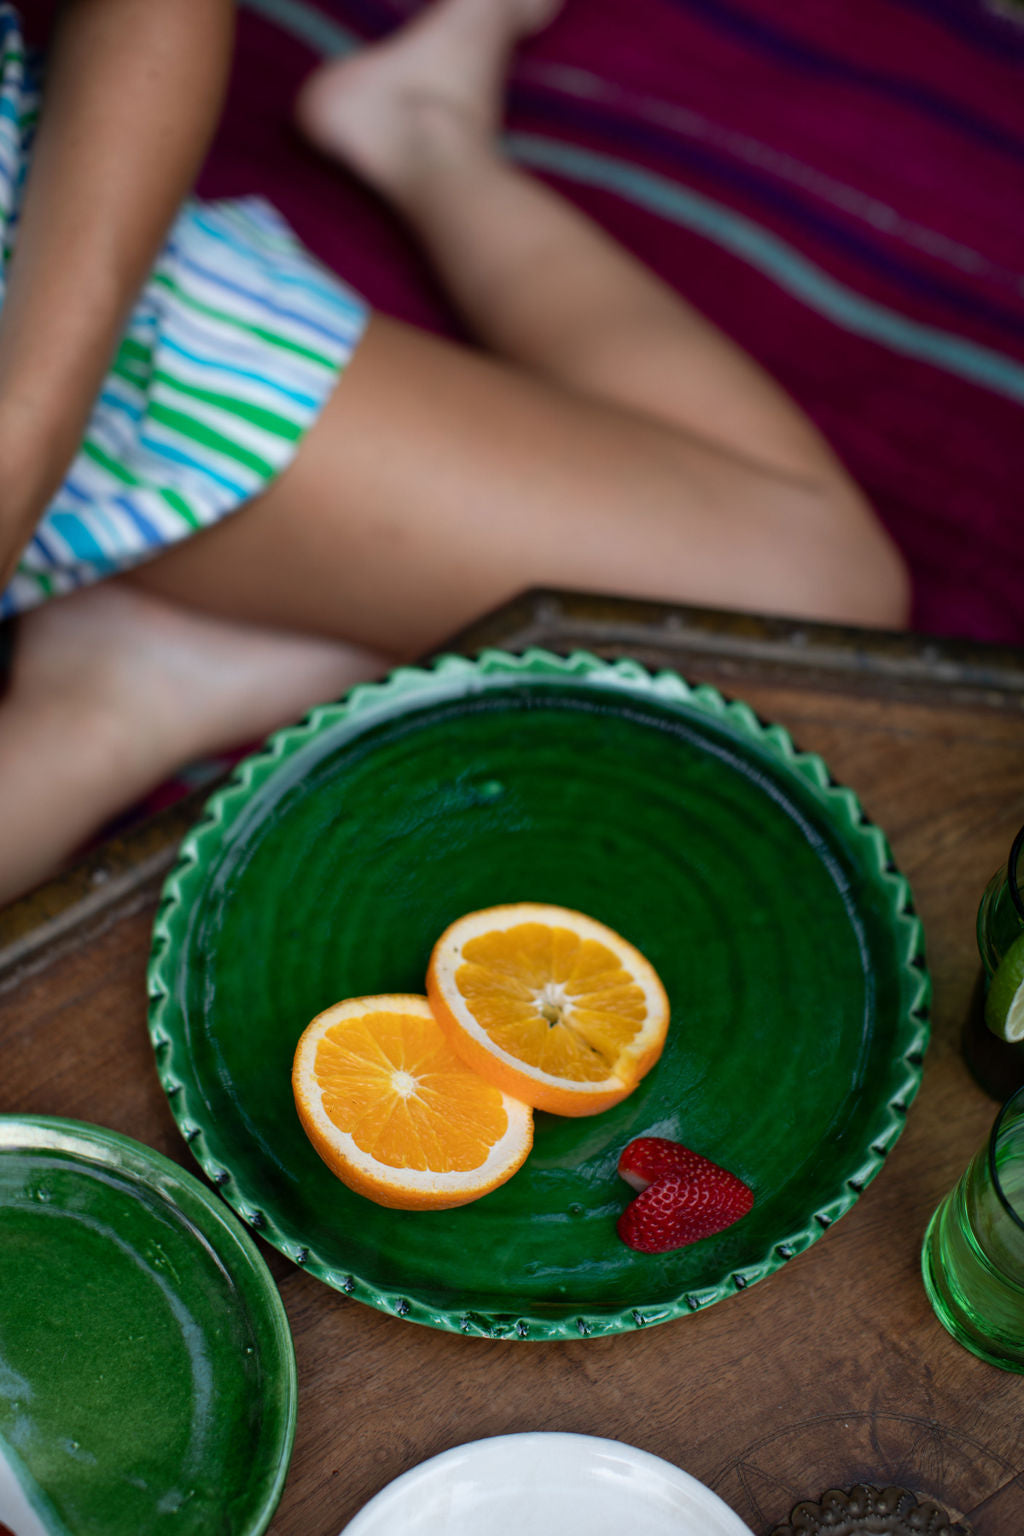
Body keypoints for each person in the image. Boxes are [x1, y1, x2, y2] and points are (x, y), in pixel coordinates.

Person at [0, 0, 908, 906]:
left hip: (53, 331)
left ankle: (420, 132)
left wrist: (29, 434)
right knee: (814, 594)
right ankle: (118, 703)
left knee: (812, 605)